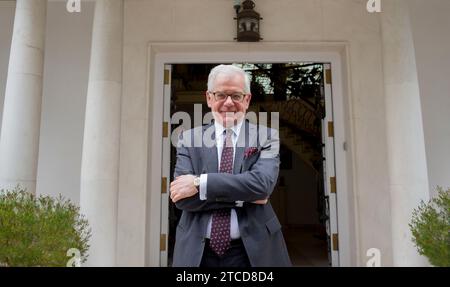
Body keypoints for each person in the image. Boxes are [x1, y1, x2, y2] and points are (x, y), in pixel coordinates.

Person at [169, 64, 291, 267]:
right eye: (221, 95)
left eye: (236, 95)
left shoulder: (267, 137)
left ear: (247, 99)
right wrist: (243, 197)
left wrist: (201, 183)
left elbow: (261, 186)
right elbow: (182, 200)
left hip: (253, 251)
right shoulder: (188, 139)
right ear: (209, 98)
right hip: (197, 253)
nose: (228, 103)